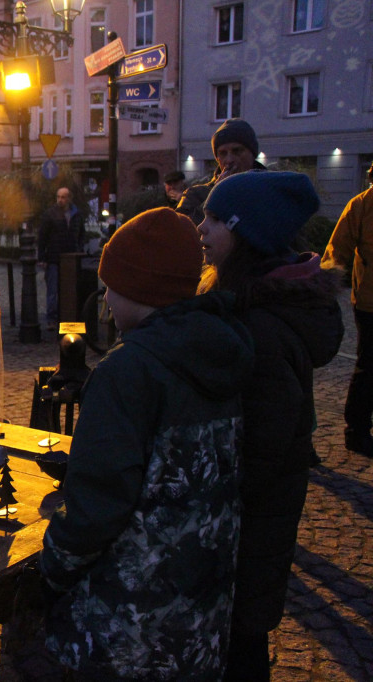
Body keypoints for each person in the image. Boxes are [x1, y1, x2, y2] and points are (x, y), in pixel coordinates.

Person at [39, 207, 254, 680]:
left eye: (112, 287)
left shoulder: (128, 371)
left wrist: (53, 564)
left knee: (27, 644)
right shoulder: (223, 348)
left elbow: (97, 506)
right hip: (200, 618)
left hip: (128, 631)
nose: (107, 300)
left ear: (139, 289)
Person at [197, 171, 343, 680]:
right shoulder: (256, 306)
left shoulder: (260, 327)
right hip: (259, 512)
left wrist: (220, 498)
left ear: (248, 235)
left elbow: (267, 440)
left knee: (240, 637)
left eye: (215, 220)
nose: (202, 229)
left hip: (251, 518)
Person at [322, 161, 373, 457]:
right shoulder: (362, 205)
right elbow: (337, 250)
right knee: (368, 367)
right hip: (369, 302)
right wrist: (327, 287)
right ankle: (356, 432)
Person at [177, 118, 265, 225]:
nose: (229, 160)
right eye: (223, 153)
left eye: (237, 151)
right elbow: (182, 230)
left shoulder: (270, 189)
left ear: (252, 153)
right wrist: (215, 195)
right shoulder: (196, 195)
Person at [37, 186, 84, 327]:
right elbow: (42, 236)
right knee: (53, 290)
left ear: (69, 198)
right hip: (54, 257)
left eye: (63, 197)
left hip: (71, 257)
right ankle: (51, 319)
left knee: (68, 290)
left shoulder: (77, 214)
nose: (60, 200)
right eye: (58, 197)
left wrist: (79, 249)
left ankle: (65, 317)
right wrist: (42, 257)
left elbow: (81, 233)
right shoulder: (50, 214)